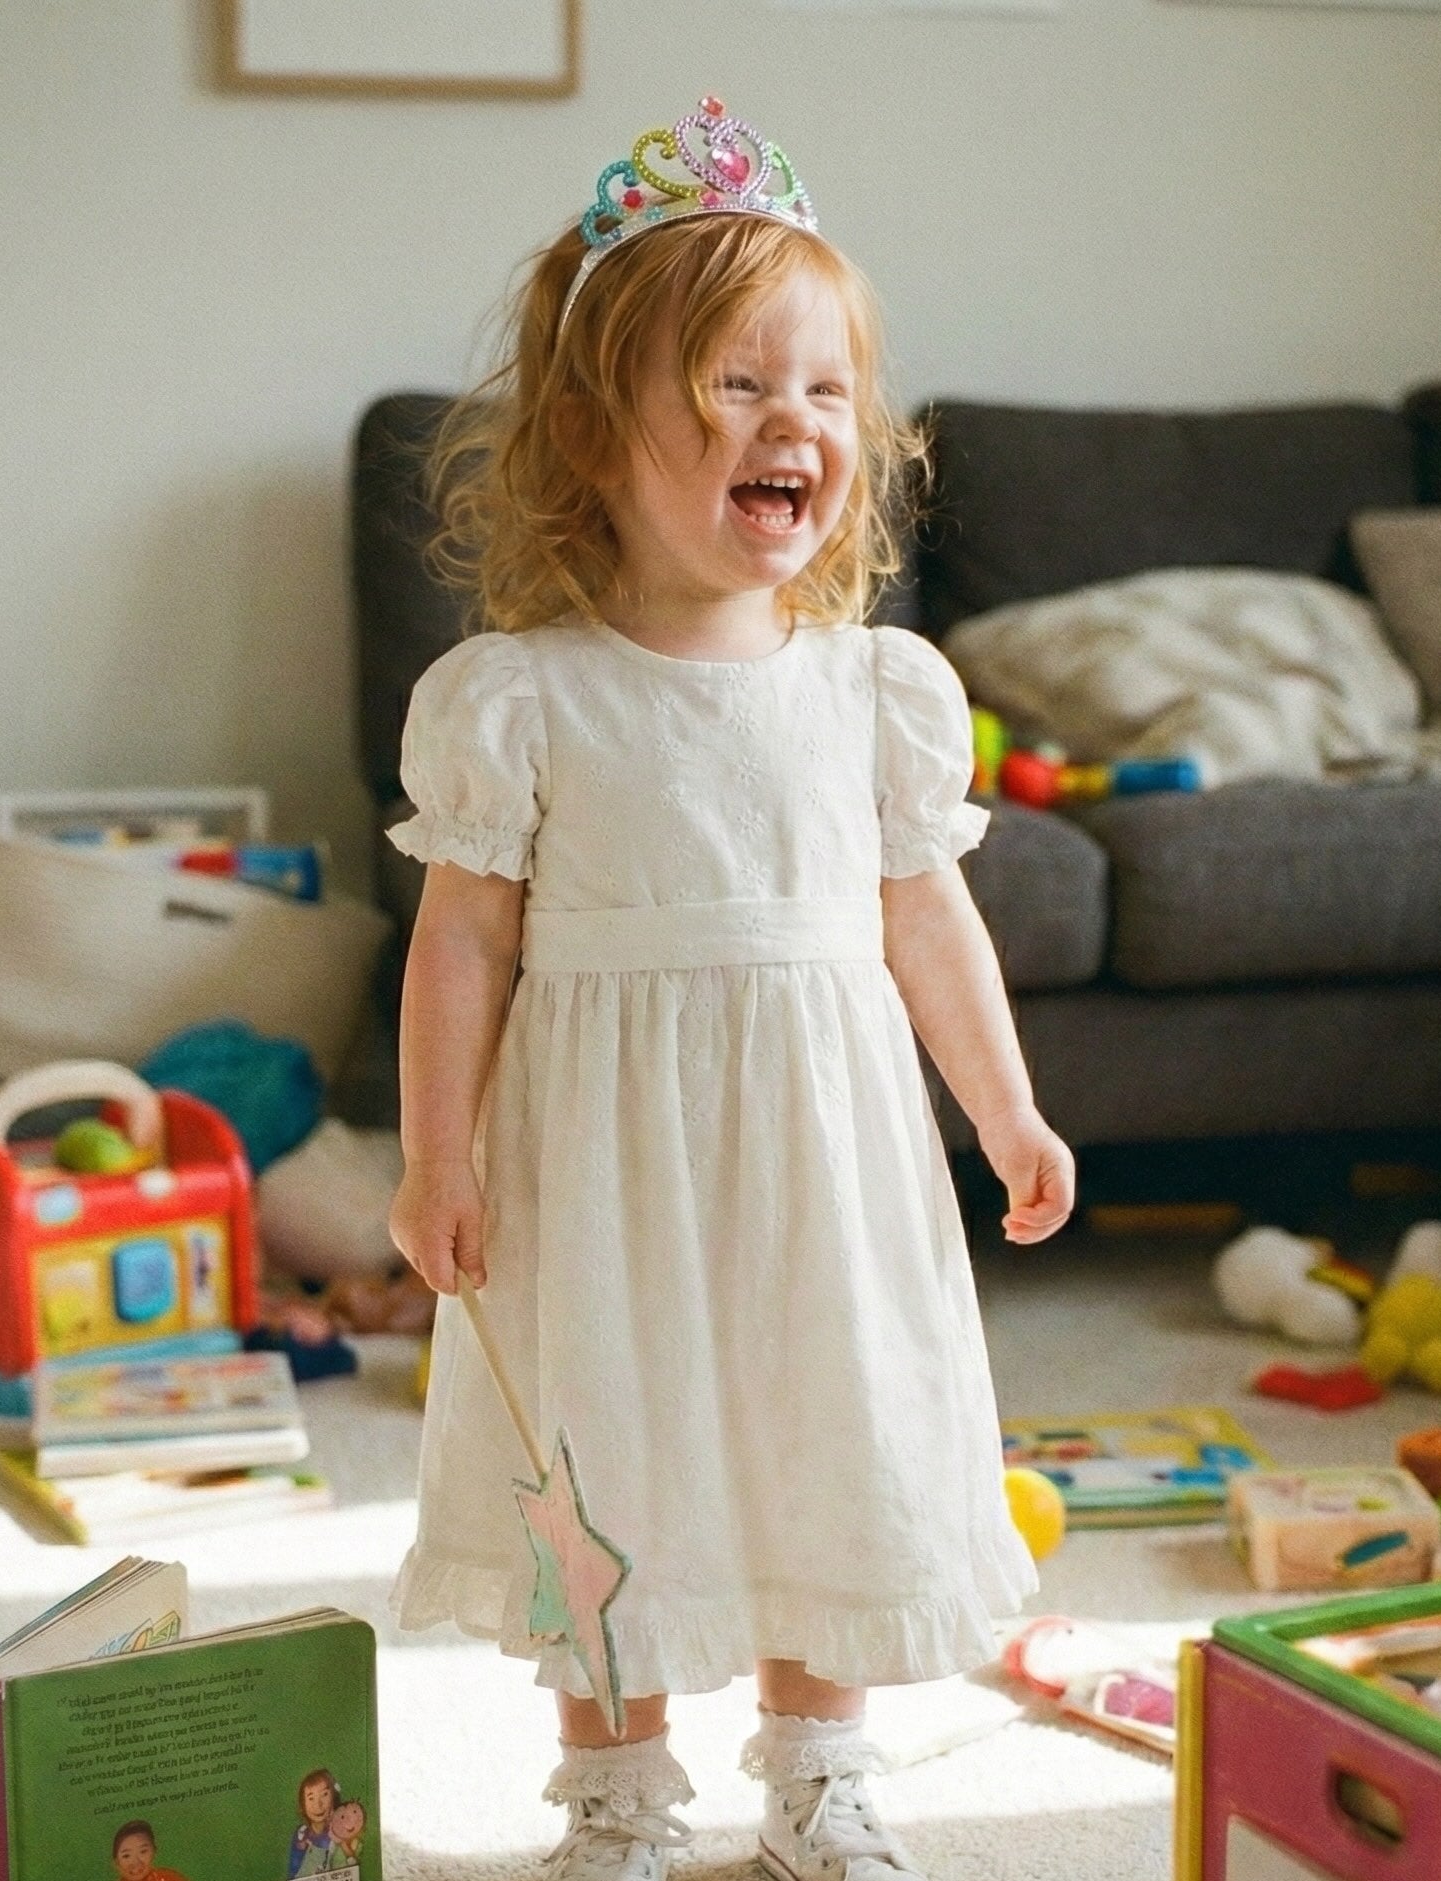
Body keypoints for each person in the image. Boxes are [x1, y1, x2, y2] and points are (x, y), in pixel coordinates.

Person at [385, 95, 1075, 1881]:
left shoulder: (874, 689)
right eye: (736, 388)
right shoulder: (520, 693)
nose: (794, 425)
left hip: (823, 1158)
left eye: (824, 390)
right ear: (596, 439)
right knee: (604, 1451)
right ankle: (616, 1795)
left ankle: (822, 1777)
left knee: (821, 1427)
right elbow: (463, 936)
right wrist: (433, 1157)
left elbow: (925, 915)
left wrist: (1002, 1106)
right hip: (598, 1165)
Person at [109, 1820, 187, 1881]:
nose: (136, 1862)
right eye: (126, 1856)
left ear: (154, 1852)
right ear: (116, 1862)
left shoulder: (171, 1878)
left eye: (143, 1851)